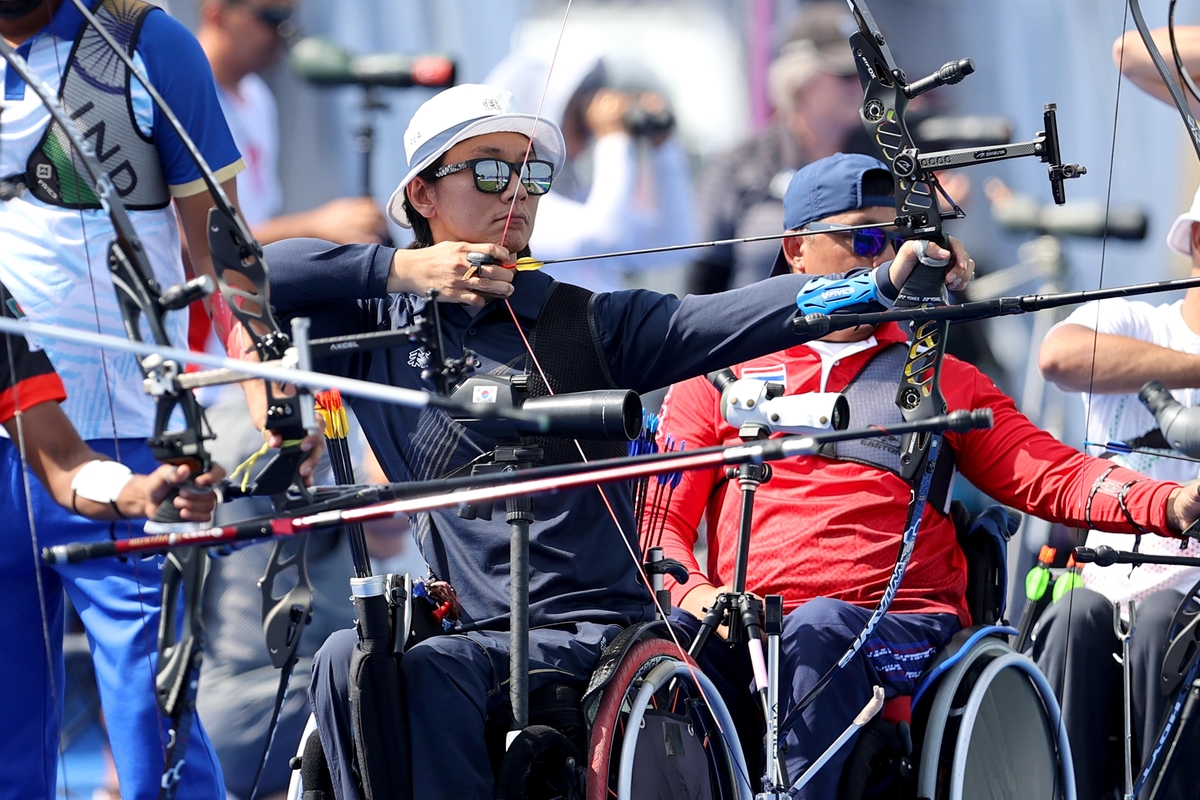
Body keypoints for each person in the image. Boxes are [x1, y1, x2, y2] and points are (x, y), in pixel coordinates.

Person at [250, 83, 971, 800]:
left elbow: (725, 318)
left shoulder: (585, 323)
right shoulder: (376, 322)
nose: (519, 193)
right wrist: (400, 269)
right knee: (347, 656)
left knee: (432, 672)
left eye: (532, 174)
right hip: (463, 625)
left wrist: (875, 283)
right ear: (423, 195)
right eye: (491, 169)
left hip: (591, 632)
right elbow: (251, 276)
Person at [648, 152, 1200, 800]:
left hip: (896, 628)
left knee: (819, 627)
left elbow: (1050, 473)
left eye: (898, 238)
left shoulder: (939, 377)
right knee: (659, 639)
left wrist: (1171, 502)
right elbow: (661, 530)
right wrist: (693, 597)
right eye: (864, 239)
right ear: (795, 250)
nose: (885, 257)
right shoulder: (719, 378)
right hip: (747, 624)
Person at [0, 0, 248, 797]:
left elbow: (224, 255)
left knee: (154, 744)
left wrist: (272, 386)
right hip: (18, 427)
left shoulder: (147, 41)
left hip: (124, 448)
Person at [1028, 30, 1200, 800]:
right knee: (1072, 621)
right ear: (1194, 242)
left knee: (1165, 617)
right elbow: (1058, 357)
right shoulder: (1141, 322)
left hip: (1187, 602)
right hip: (1103, 578)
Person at [686, 1, 865, 294]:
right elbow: (704, 278)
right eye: (846, 74)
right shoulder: (739, 163)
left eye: (866, 71)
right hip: (761, 337)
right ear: (798, 81)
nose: (861, 85)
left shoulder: (888, 156)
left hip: (868, 337)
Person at [485, 49, 695, 292]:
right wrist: (614, 138)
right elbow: (604, 235)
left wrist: (663, 148)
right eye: (574, 104)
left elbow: (674, 243)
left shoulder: (579, 197)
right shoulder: (519, 207)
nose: (587, 112)